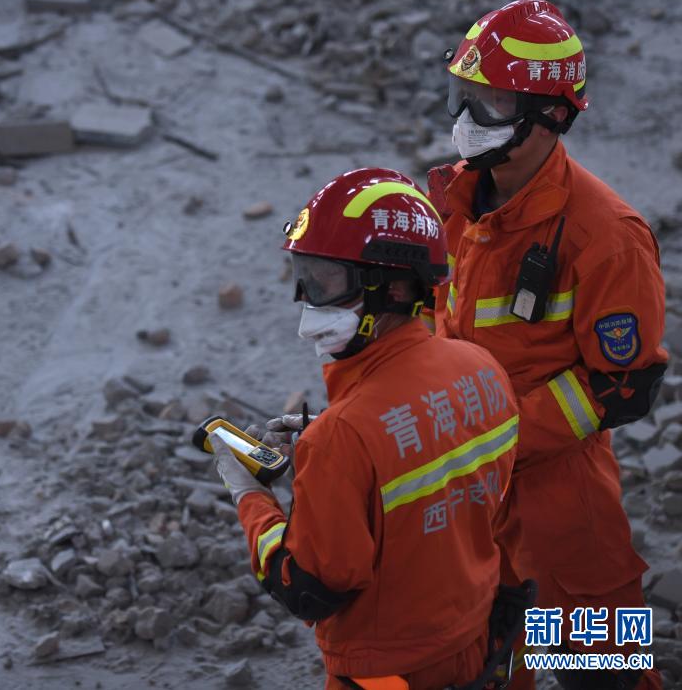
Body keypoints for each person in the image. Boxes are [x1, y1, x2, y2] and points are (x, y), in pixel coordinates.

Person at [427, 0, 668, 690]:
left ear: (552, 116)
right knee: (487, 665)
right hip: (468, 495)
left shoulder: (604, 235)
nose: (467, 120)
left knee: (602, 675)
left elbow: (622, 387)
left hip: (562, 508)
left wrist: (493, 435)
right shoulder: (456, 203)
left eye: (492, 104)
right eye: (463, 96)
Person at [209, 168, 522, 690]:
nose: (309, 301)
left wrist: (250, 495)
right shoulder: (482, 368)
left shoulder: (345, 437)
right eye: (304, 276)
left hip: (387, 671)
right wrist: (332, 448)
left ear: (394, 288)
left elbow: (308, 586)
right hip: (475, 639)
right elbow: (457, 487)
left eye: (326, 281)